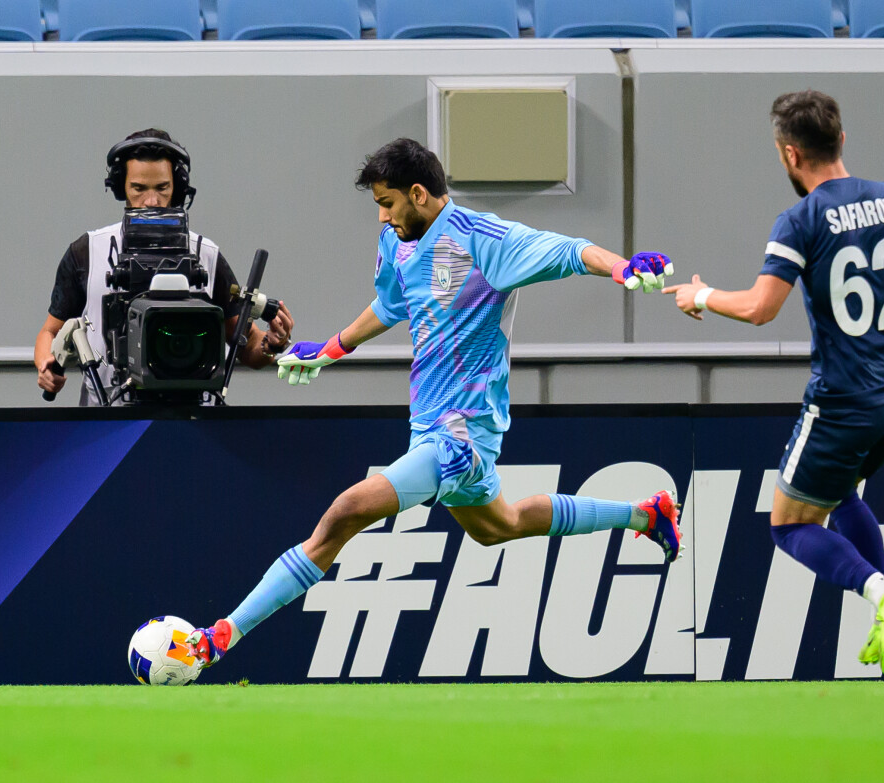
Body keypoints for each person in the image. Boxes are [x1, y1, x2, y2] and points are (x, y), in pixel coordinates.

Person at [183, 137, 682, 670]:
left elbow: (569, 251)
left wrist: (623, 267)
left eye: (387, 202)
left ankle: (219, 637)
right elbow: (391, 305)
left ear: (418, 194)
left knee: (345, 514)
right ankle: (645, 514)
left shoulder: (483, 239)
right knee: (501, 526)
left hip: (462, 433)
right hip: (428, 427)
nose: (381, 215)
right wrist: (329, 350)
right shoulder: (396, 242)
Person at [663, 90, 884, 677]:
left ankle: (882, 592)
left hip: (846, 402)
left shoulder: (801, 220)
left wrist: (701, 295)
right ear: (841, 139)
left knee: (789, 525)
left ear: (789, 154)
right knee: (840, 494)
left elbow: (761, 308)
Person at [34, 128, 295, 404]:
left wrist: (272, 344)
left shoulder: (206, 255)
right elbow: (50, 331)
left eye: (162, 188)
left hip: (193, 415)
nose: (151, 201)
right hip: (107, 415)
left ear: (177, 188)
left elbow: (248, 344)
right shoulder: (87, 252)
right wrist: (46, 364)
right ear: (121, 187)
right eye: (139, 188)